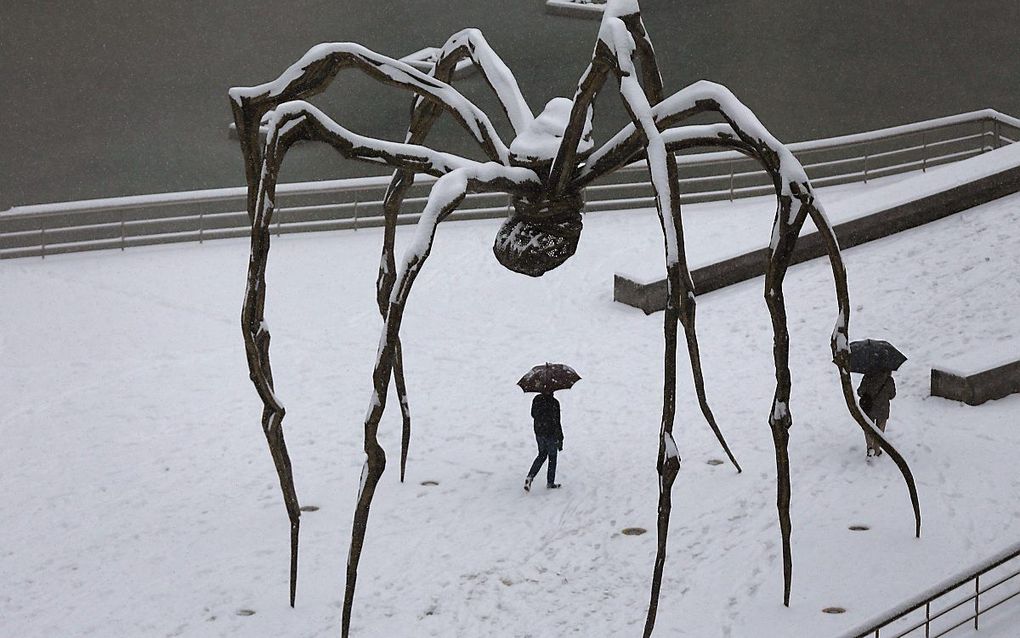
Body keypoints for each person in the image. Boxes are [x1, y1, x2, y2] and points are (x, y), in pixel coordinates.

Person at [524, 390, 564, 491]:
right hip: (551, 433)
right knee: (552, 457)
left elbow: (533, 414)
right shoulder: (555, 403)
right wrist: (560, 438)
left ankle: (530, 477)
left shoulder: (537, 399)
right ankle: (550, 483)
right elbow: (557, 421)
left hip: (539, 432)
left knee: (541, 455)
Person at [858, 369, 897, 457]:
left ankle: (870, 447)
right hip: (883, 409)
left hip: (869, 408)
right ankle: (877, 449)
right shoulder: (889, 379)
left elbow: (860, 392)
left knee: (868, 428)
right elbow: (892, 395)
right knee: (880, 430)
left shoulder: (867, 377)